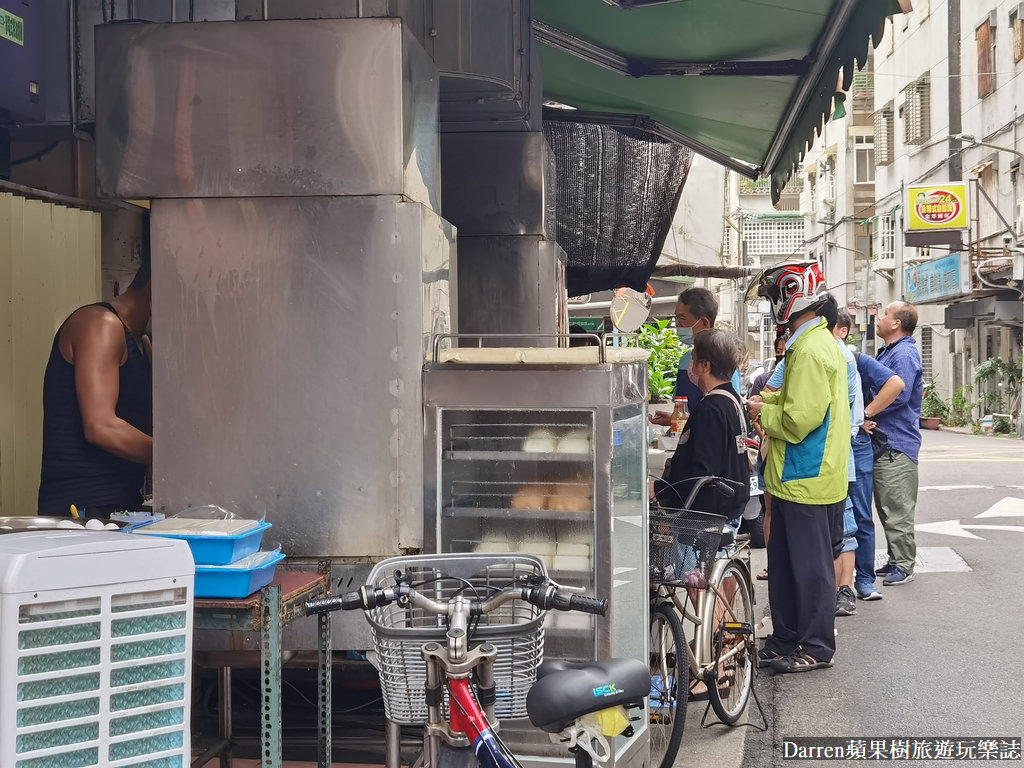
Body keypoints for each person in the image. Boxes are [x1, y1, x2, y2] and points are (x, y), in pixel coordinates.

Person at [746, 262, 849, 673]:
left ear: (794, 296)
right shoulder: (812, 343)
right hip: (799, 477)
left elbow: (798, 419)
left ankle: (816, 646)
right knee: (786, 567)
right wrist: (764, 404)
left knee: (809, 571)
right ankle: (785, 638)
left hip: (807, 476)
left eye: (776, 295)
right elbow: (797, 402)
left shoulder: (808, 349)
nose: (774, 304)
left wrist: (763, 416)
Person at [37, 257, 153, 517]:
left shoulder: (142, 343)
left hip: (121, 506)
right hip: (82, 511)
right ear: (154, 288)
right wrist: (177, 460)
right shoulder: (101, 324)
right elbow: (100, 427)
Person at [653, 329, 751, 520]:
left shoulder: (710, 408)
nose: (690, 366)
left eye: (693, 359)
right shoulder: (734, 401)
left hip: (703, 517)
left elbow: (701, 473)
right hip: (727, 510)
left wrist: (658, 488)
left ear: (705, 365)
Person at [844, 327, 905, 601]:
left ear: (842, 331)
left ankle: (865, 579)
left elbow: (896, 384)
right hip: (827, 443)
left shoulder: (857, 360)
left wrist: (864, 415)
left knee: (860, 515)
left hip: (856, 444)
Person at [871, 301, 924, 586]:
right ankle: (895, 559)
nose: (880, 318)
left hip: (896, 443)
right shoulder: (892, 351)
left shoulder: (903, 353)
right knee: (887, 505)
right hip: (888, 441)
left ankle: (903, 564)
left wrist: (867, 413)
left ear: (896, 324)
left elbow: (899, 395)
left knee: (897, 507)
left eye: (885, 315)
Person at [650, 287, 741, 426]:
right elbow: (682, 411)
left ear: (704, 322)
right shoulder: (685, 360)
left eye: (682, 318)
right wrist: (674, 420)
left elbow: (728, 415)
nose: (678, 325)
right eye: (676, 318)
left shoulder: (723, 361)